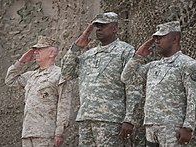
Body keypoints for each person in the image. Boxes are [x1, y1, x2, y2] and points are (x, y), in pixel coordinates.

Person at [61, 12, 143, 146]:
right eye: (97, 26)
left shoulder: (126, 51)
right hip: (86, 118)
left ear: (115, 28)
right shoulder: (88, 55)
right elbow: (66, 73)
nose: (98, 29)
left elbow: (134, 86)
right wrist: (76, 48)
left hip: (111, 119)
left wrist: (129, 119)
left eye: (103, 26)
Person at [121, 21, 196, 146]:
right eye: (156, 38)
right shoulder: (154, 66)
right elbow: (126, 78)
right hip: (151, 126)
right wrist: (138, 56)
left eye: (162, 37)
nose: (157, 41)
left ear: (175, 38)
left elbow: (195, 97)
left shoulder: (187, 64)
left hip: (173, 128)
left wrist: (188, 127)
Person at [5, 36, 72, 147]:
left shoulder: (60, 75)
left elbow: (64, 105)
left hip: (46, 134)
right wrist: (21, 62)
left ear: (51, 53)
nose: (35, 52)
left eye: (40, 49)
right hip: (27, 133)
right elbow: (10, 80)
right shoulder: (31, 75)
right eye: (35, 49)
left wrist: (59, 133)